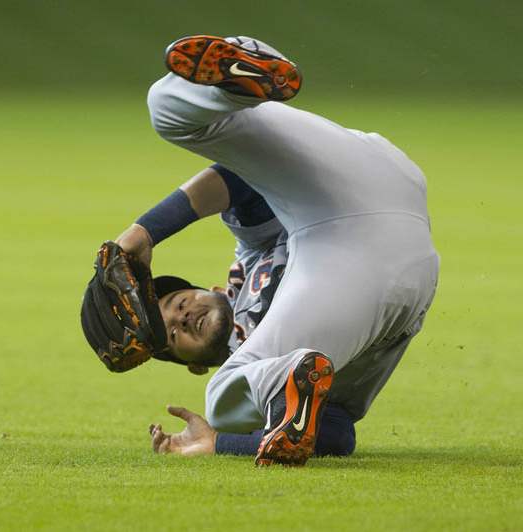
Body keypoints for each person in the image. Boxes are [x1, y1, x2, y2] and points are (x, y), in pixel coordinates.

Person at [115, 35, 439, 465]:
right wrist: (222, 441)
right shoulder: (252, 366)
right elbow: (336, 435)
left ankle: (237, 79)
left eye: (176, 302)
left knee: (167, 108)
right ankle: (231, 84)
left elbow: (242, 180)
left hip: (362, 181)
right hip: (388, 278)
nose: (181, 317)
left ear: (210, 288)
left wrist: (144, 233)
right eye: (173, 335)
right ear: (191, 363)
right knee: (224, 402)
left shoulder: (249, 254)